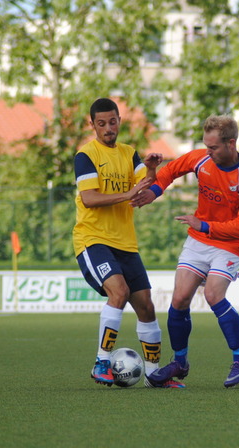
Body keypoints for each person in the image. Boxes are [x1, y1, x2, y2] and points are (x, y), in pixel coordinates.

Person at [131, 115, 239, 387]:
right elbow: (169, 171)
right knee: (179, 299)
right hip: (200, 238)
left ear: (231, 143)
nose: (208, 152)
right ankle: (179, 362)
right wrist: (154, 192)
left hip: (231, 243)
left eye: (213, 147)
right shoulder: (201, 159)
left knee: (214, 294)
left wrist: (203, 225)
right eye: (206, 146)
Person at [73, 97, 184, 388]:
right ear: (92, 125)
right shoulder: (85, 155)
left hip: (125, 243)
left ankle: (153, 374)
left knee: (146, 306)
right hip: (92, 240)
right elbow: (89, 198)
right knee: (119, 292)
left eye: (112, 122)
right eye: (101, 123)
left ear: (119, 121)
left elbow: (141, 192)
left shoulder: (129, 153)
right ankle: (101, 363)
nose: (108, 128)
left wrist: (149, 170)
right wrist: (128, 193)